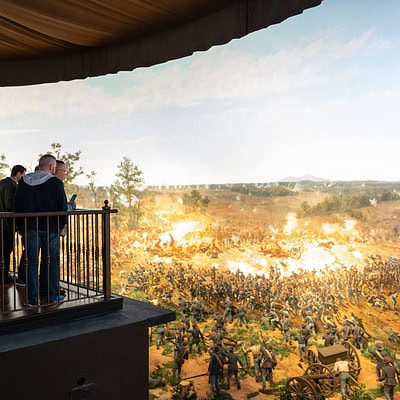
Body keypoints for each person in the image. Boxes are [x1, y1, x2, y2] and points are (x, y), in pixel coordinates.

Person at [14, 154, 67, 306]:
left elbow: (17, 206)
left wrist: (20, 226)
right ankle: (53, 296)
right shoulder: (55, 183)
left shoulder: (24, 182)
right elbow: (62, 207)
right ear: (52, 167)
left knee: (31, 263)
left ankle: (32, 300)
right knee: (52, 262)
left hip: (31, 228)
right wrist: (61, 225)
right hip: (51, 229)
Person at [0, 165, 26, 284]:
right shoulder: (10, 186)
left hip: (3, 223)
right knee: (6, 250)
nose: (24, 177)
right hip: (6, 224)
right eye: (23, 174)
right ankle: (3, 277)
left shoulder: (2, 183)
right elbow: (10, 205)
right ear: (19, 173)